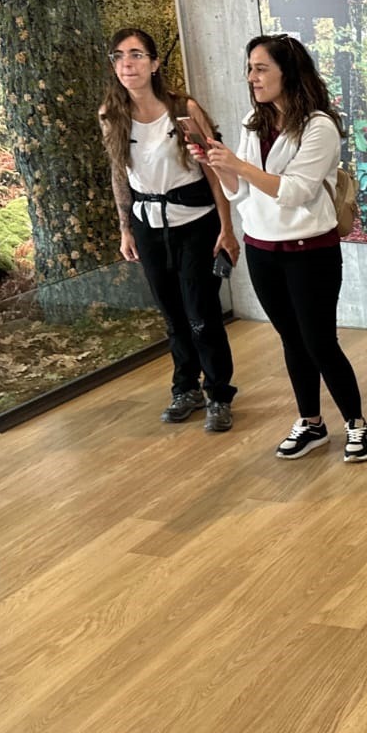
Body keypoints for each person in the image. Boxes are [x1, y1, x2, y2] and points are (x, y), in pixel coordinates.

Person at [194, 34, 367, 463]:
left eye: (261, 68)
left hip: (310, 251)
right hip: (262, 248)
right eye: (249, 68)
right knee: (291, 340)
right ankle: (311, 423)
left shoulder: (319, 126)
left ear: (288, 73)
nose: (251, 77)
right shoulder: (251, 123)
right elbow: (238, 192)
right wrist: (215, 164)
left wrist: (239, 166)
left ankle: (357, 423)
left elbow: (295, 191)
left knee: (319, 341)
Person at [99, 27, 238, 432]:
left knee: (201, 312)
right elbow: (119, 173)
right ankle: (185, 387)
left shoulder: (182, 109)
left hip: (195, 223)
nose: (128, 63)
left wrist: (227, 227)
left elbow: (212, 168)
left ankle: (218, 393)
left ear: (155, 63)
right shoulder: (111, 114)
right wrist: (125, 228)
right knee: (173, 314)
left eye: (137, 55)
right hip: (148, 226)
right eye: (119, 56)